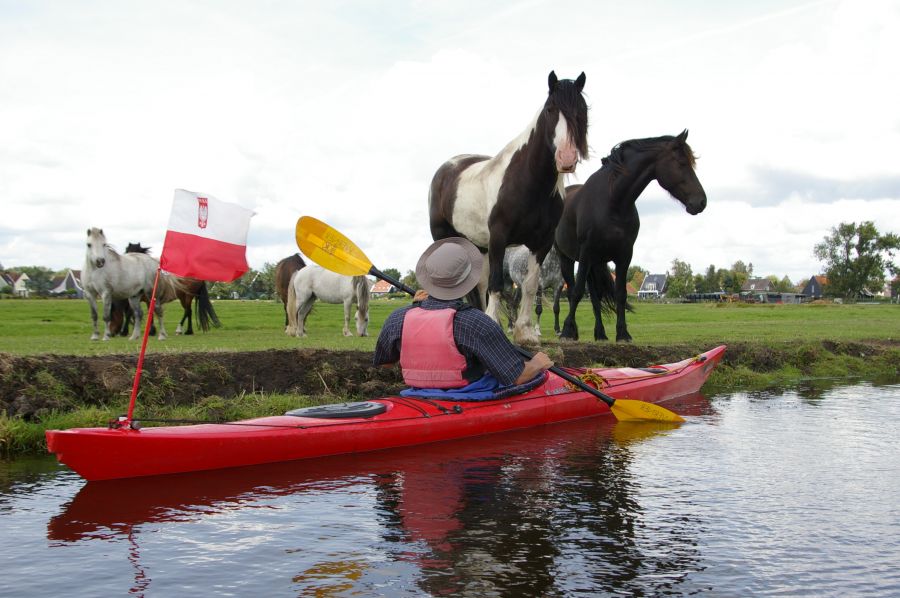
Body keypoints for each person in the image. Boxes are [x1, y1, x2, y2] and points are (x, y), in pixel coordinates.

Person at [373, 237, 553, 390]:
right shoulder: (476, 322)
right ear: (468, 279)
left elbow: (385, 363)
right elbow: (517, 377)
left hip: (417, 394)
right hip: (468, 395)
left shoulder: (398, 318)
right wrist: (537, 363)